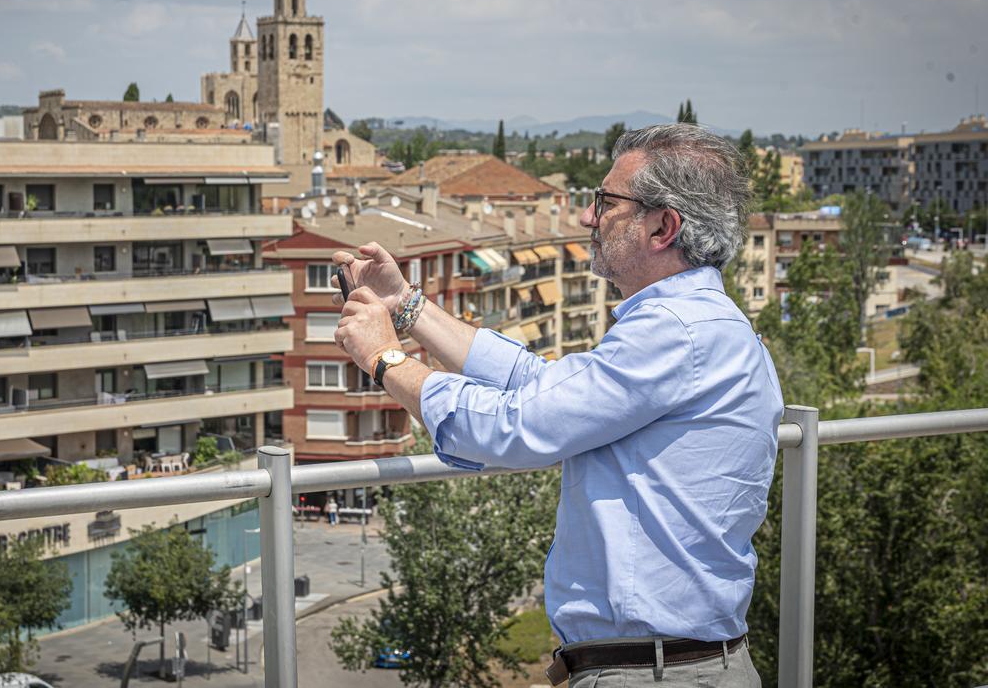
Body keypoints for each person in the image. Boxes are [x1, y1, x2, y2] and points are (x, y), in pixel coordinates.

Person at [332, 124, 782, 687]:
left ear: (663, 226)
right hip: (672, 666)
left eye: (606, 203)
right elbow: (539, 387)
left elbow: (515, 425)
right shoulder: (698, 324)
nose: (589, 219)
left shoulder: (676, 333)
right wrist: (408, 308)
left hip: (655, 674)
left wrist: (385, 360)